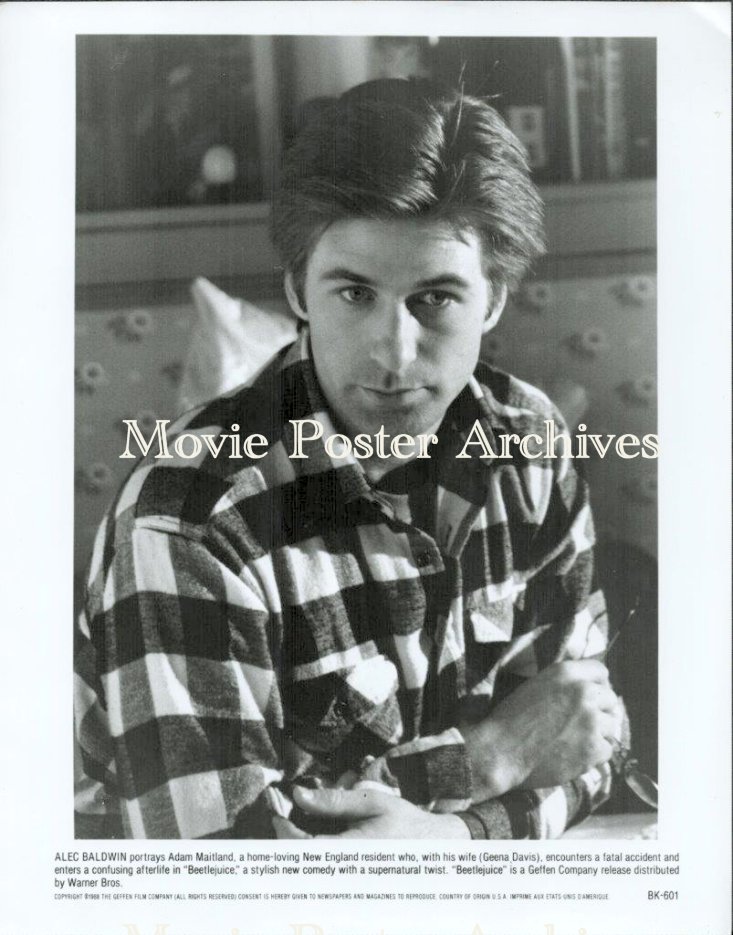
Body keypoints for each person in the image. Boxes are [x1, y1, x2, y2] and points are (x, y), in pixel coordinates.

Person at [74, 78, 623, 840]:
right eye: (355, 294)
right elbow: (218, 867)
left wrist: (453, 838)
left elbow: (588, 737)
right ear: (298, 289)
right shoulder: (187, 515)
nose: (393, 354)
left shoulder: (531, 443)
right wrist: (485, 760)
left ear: (494, 297)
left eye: (435, 298)